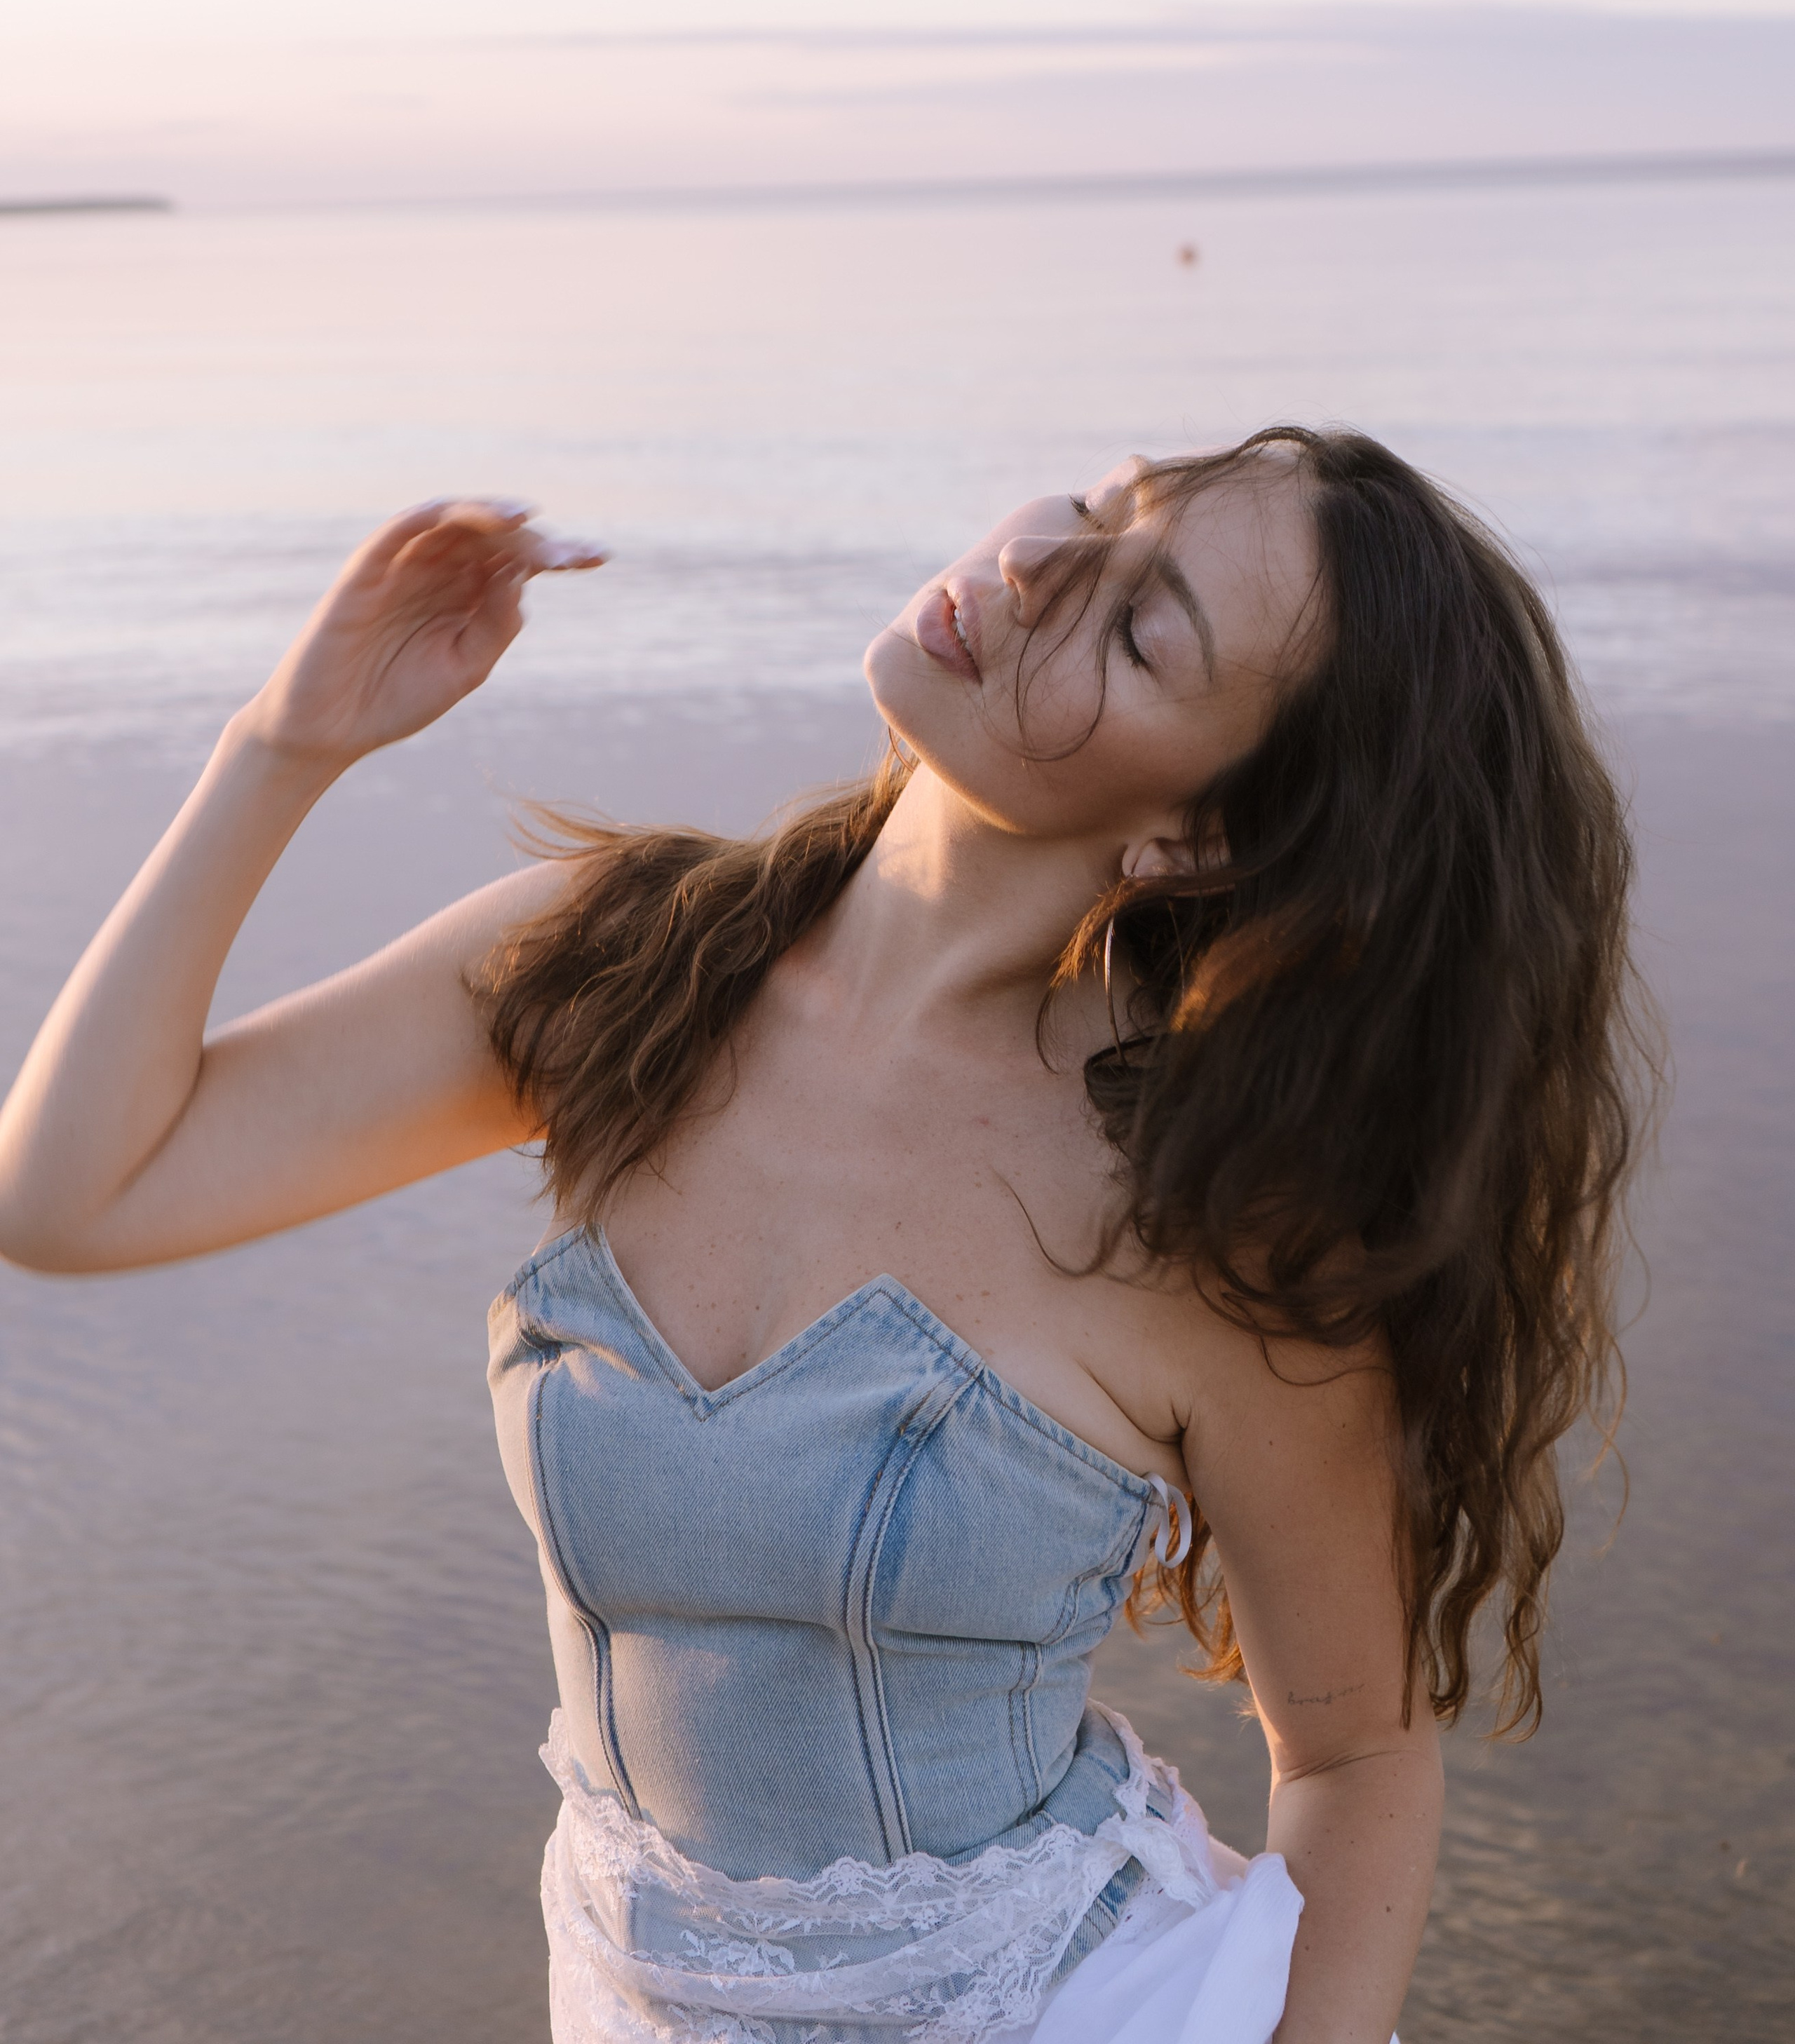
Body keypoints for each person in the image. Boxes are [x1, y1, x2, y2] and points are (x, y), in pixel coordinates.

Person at [0, 431, 1651, 2044]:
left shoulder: (1200, 1217)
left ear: (1199, 838)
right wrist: (285, 746)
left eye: (1140, 626)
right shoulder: (620, 978)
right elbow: (75, 1195)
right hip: (628, 1989)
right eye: (1092, 504)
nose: (1032, 564)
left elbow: (1354, 1761)